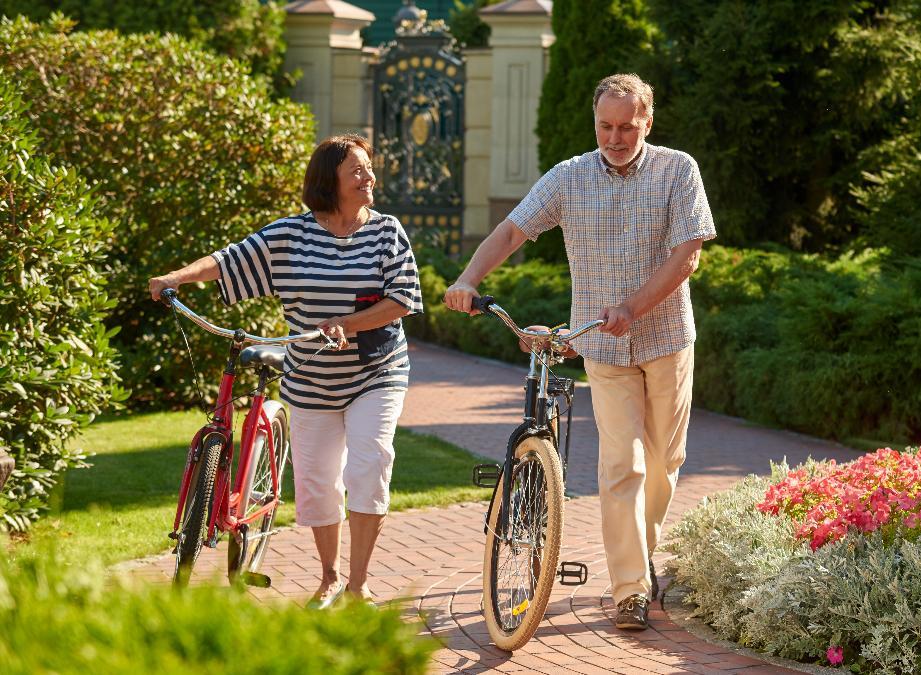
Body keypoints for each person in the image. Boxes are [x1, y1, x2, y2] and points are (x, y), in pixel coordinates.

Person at [443, 73, 715, 630]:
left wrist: (634, 307)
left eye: (626, 126)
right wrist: (467, 278)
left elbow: (687, 255)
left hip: (666, 340)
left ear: (647, 122)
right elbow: (513, 231)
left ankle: (640, 556)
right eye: (605, 126)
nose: (615, 137)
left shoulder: (678, 170)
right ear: (595, 123)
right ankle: (630, 589)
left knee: (665, 462)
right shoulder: (569, 177)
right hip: (600, 346)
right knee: (621, 463)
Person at [149, 134, 422, 609]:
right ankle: (330, 577)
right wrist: (177, 277)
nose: (369, 178)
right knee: (317, 482)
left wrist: (347, 324)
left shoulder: (386, 232)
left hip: (375, 370)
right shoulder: (290, 235)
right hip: (311, 376)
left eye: (368, 169)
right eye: (357, 170)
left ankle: (358, 586)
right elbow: (229, 260)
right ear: (329, 180)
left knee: (370, 462)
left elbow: (401, 300)